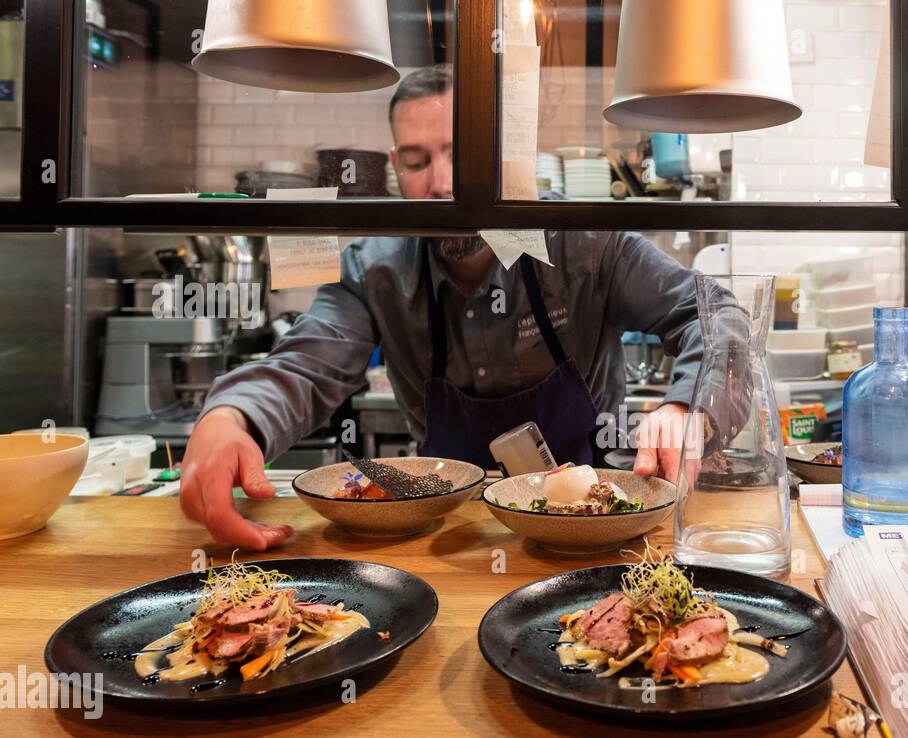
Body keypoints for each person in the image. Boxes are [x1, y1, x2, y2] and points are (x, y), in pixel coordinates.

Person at [182, 66, 706, 550]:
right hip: (436, 532)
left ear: (504, 157)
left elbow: (708, 312)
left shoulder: (583, 245)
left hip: (588, 527)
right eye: (416, 162)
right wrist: (234, 416)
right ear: (394, 170)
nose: (443, 184)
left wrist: (686, 406)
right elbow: (306, 366)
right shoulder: (375, 270)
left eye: (461, 154)